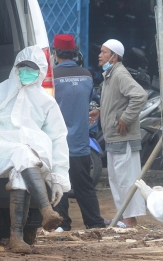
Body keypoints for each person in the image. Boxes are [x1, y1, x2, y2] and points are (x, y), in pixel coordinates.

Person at [0, 45, 70, 254]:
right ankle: (46, 209)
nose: (27, 72)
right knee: (22, 154)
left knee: (22, 168)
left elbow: (58, 139)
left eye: (33, 69)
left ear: (41, 71)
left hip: (33, 157)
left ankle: (16, 237)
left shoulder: (47, 102)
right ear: (15, 67)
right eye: (23, 67)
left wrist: (58, 178)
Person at [89, 39, 147, 227]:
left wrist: (126, 118)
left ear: (114, 56)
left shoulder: (120, 74)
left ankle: (129, 221)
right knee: (117, 179)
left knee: (126, 180)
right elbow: (115, 102)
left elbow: (139, 95)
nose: (100, 55)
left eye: (104, 52)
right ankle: (124, 217)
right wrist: (100, 110)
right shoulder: (110, 75)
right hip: (115, 137)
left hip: (124, 138)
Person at [51, 34, 106, 231]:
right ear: (75, 52)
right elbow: (92, 98)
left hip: (58, 144)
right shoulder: (87, 75)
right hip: (81, 143)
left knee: (59, 184)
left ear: (55, 52)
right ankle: (95, 224)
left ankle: (62, 223)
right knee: (84, 186)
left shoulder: (52, 77)